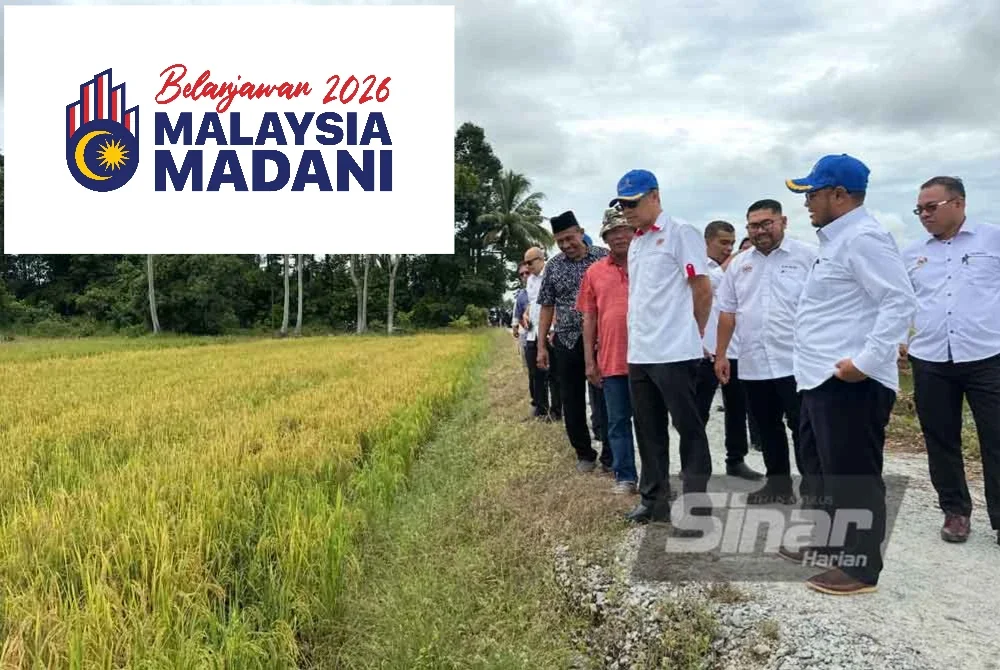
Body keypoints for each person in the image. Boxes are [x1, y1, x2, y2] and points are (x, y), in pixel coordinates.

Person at [782, 154, 916, 596]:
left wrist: (866, 362)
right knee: (820, 469)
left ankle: (860, 568)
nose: (806, 202)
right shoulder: (835, 241)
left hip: (850, 381)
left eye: (812, 193)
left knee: (852, 473)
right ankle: (825, 543)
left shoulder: (863, 237)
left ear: (840, 195)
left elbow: (898, 301)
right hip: (819, 378)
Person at [609, 169, 714, 527]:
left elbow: (701, 288)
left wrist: (693, 331)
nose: (627, 211)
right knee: (648, 431)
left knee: (689, 429)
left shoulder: (680, 232)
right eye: (622, 205)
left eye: (633, 203)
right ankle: (654, 500)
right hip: (641, 353)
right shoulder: (636, 242)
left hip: (675, 352)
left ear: (655, 195)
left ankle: (697, 505)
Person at [902, 176, 1000, 546]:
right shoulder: (911, 253)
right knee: (940, 438)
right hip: (930, 358)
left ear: (958, 203)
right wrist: (898, 341)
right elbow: (901, 301)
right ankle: (955, 511)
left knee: (996, 436)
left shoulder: (992, 239)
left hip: (987, 355)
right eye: (919, 209)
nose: (924, 215)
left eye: (931, 207)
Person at [715, 200, 817, 504]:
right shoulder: (739, 264)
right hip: (754, 361)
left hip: (797, 361)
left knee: (803, 428)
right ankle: (778, 485)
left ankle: (813, 489)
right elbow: (727, 312)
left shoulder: (808, 256)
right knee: (767, 426)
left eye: (766, 223)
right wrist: (721, 354)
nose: (759, 231)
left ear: (782, 221)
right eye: (753, 225)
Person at [536, 212, 613, 472]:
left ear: (581, 231)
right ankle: (584, 453)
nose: (566, 245)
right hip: (566, 340)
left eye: (570, 238)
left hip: (603, 340)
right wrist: (541, 346)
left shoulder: (604, 257)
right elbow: (547, 306)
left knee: (607, 397)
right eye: (560, 242)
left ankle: (611, 454)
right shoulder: (554, 267)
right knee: (572, 399)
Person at [578, 207, 639, 494]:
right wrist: (590, 360)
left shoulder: (648, 263)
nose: (619, 236)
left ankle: (654, 476)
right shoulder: (594, 272)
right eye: (612, 232)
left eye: (625, 230)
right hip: (612, 359)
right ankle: (625, 476)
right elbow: (589, 318)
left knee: (650, 422)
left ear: (635, 232)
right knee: (616, 422)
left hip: (648, 359)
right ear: (604, 237)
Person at [696, 220, 763, 481]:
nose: (728, 248)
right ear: (707, 241)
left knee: (737, 409)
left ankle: (736, 459)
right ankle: (696, 465)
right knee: (698, 412)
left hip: (734, 350)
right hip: (706, 351)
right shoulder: (700, 267)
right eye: (723, 242)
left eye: (732, 244)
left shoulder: (736, 269)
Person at [522, 248, 560, 421]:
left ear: (541, 259)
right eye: (525, 263)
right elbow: (532, 303)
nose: (527, 267)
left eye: (530, 263)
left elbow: (557, 303)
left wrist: (553, 327)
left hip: (550, 330)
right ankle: (541, 407)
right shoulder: (530, 280)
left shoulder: (552, 274)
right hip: (533, 331)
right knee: (535, 370)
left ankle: (557, 410)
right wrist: (526, 314)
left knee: (554, 373)